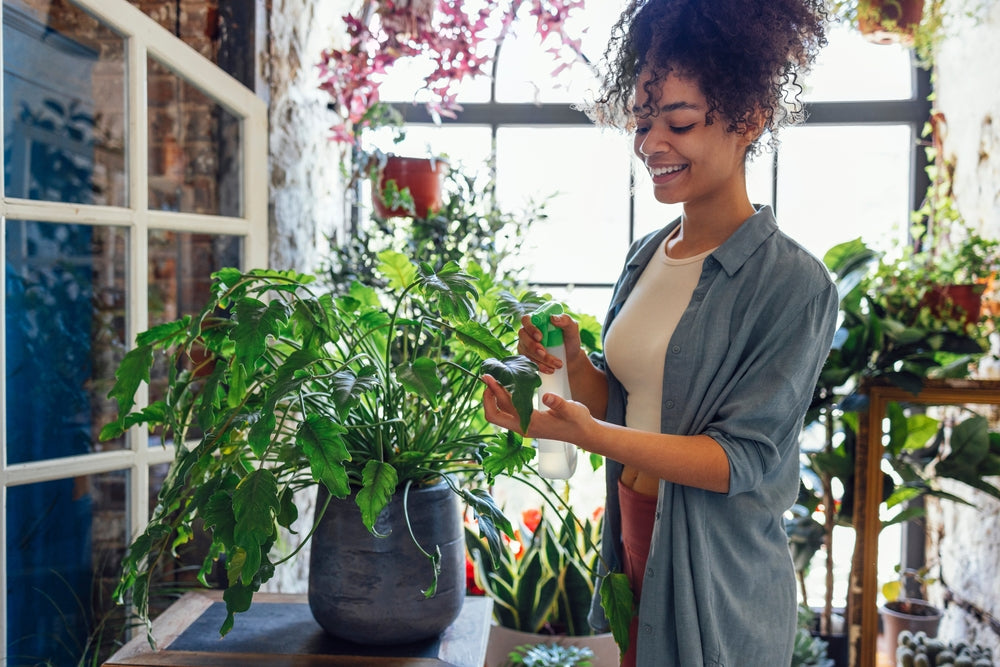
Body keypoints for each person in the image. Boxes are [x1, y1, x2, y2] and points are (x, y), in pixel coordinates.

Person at [480, 1, 837, 665]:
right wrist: (572, 368)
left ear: (749, 118)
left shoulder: (795, 284)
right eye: (644, 124)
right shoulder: (647, 253)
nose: (650, 144)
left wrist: (589, 434)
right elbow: (630, 402)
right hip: (636, 546)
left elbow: (742, 458)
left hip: (717, 581)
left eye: (678, 122)